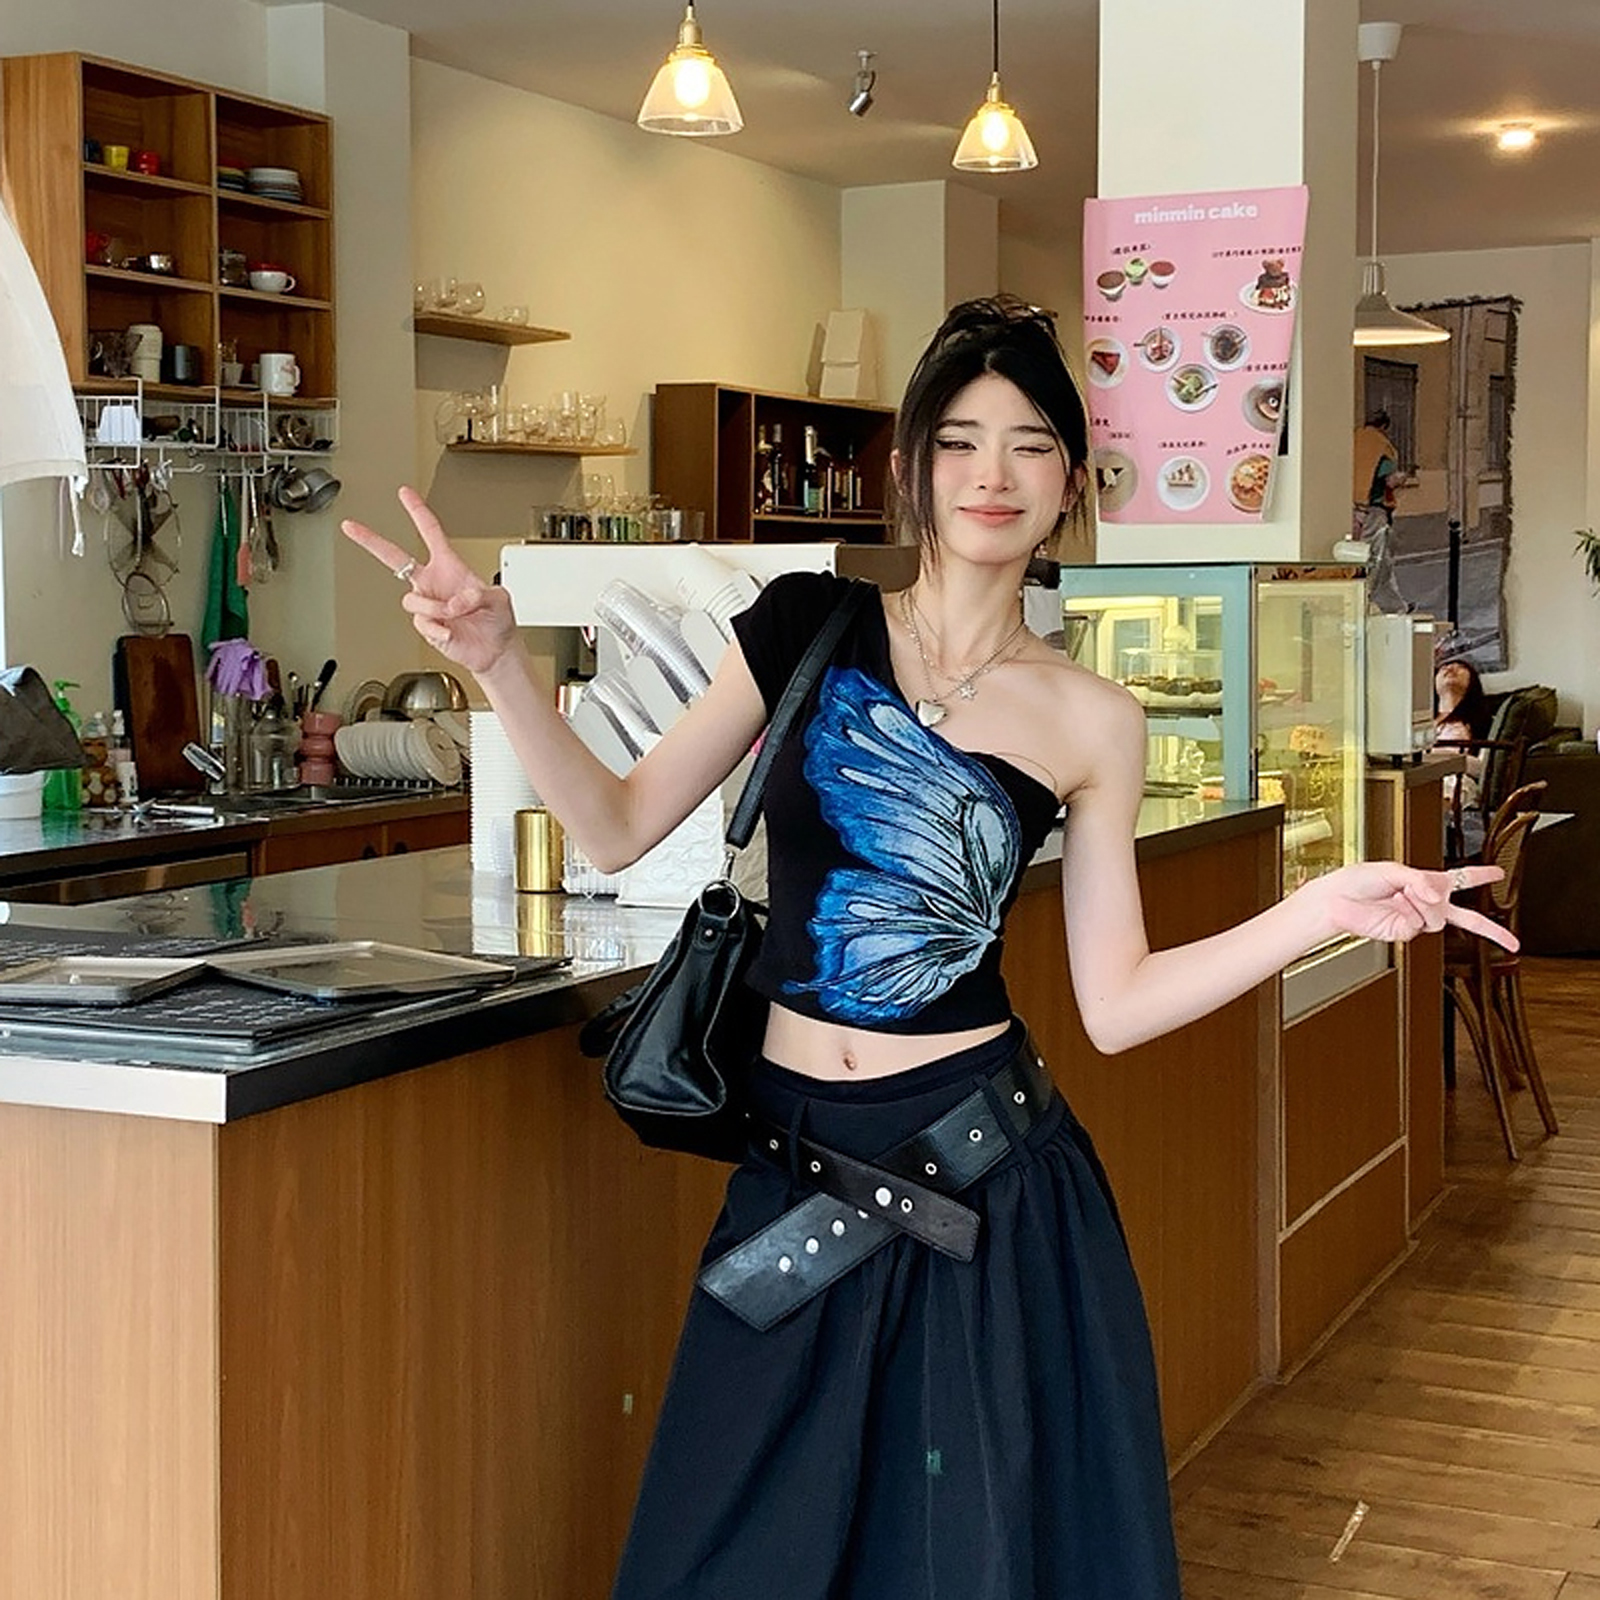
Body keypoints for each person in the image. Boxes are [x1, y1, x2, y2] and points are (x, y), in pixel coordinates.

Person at [343, 297, 1513, 1600]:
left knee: (958, 1563)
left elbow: (1117, 1001)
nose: (991, 474)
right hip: (792, 1164)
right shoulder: (804, 625)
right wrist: (500, 664)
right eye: (959, 441)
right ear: (910, 468)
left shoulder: (1094, 718)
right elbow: (616, 824)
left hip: (984, 1178)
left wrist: (1318, 908)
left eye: (1028, 445)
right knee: (724, 1553)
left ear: (1071, 481)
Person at [1352, 408, 1407, 612]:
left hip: (1350, 507)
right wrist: (1402, 477)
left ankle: (1394, 604)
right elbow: (1389, 481)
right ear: (1384, 427)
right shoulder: (1381, 446)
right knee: (1378, 558)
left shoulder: (1354, 439)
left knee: (1358, 556)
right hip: (1373, 510)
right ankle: (1376, 603)